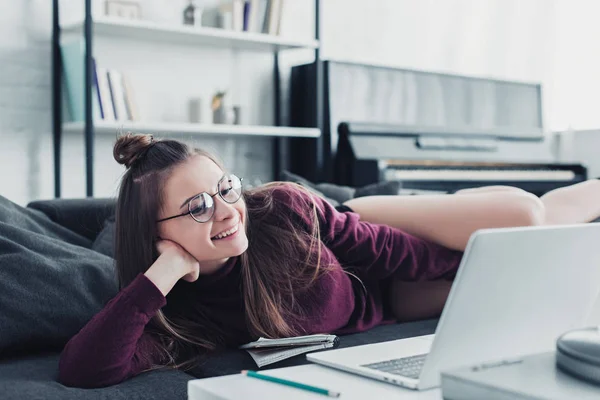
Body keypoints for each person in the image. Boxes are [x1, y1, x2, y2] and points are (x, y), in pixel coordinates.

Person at [58, 133, 600, 388]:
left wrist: (469, 258)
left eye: (226, 188)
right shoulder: (183, 316)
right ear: (157, 236)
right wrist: (164, 274)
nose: (226, 211)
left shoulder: (282, 211)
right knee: (522, 284)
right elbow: (86, 368)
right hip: (385, 302)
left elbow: (396, 252)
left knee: (528, 219)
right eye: (198, 207)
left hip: (367, 230)